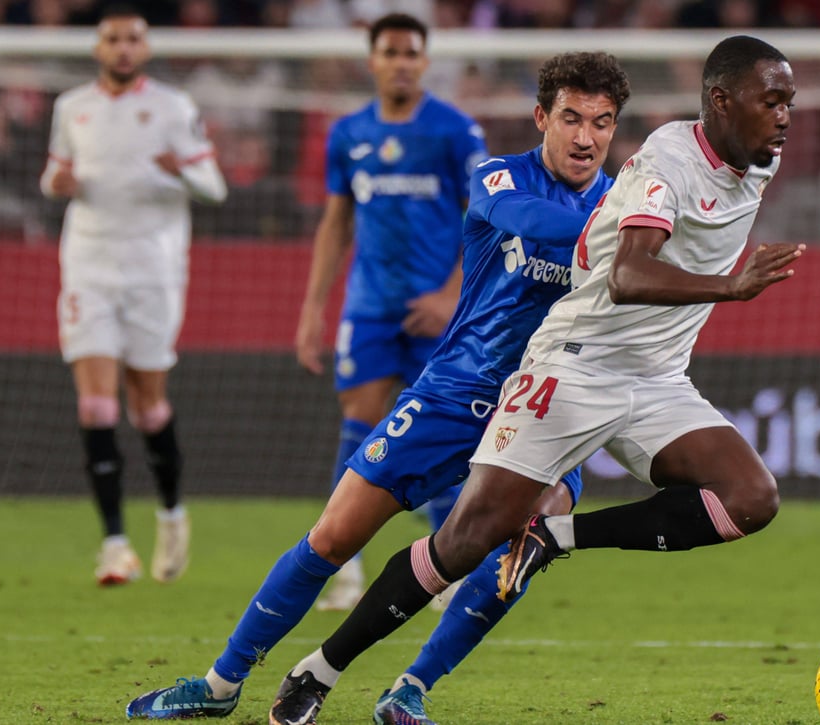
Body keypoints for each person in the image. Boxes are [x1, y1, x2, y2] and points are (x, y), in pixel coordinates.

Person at [265, 35, 802, 725]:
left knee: (751, 497)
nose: (785, 117)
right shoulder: (667, 165)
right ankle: (321, 668)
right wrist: (731, 286)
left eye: (789, 102)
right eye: (773, 101)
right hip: (576, 364)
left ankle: (557, 539)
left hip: (657, 379)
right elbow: (629, 273)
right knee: (465, 540)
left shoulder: (759, 157)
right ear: (722, 102)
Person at [124, 50, 631, 721]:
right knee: (332, 537)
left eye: (602, 122)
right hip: (453, 394)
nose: (586, 137)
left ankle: (410, 688)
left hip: (543, 413)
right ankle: (221, 683)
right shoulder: (502, 180)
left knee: (528, 544)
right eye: (571, 118)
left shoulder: (621, 200)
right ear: (542, 117)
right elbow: (539, 225)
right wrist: (639, 226)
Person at [293, 12, 489, 611]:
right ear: (372, 60)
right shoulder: (348, 133)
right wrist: (311, 310)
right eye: (391, 52)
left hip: (440, 313)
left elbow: (485, 219)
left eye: (411, 52)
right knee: (360, 427)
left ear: (425, 61)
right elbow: (335, 223)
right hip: (371, 308)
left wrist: (450, 294)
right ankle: (344, 566)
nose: (401, 62)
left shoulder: (455, 131)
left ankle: (444, 564)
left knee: (446, 434)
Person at [38, 4, 227, 587]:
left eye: (132, 39)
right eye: (113, 39)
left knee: (148, 406)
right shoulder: (72, 107)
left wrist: (182, 171)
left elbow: (214, 189)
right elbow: (52, 176)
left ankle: (171, 515)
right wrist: (57, 183)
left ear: (144, 49)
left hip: (154, 268)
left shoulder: (174, 108)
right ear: (98, 47)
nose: (122, 48)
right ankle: (116, 544)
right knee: (95, 405)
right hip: (88, 266)